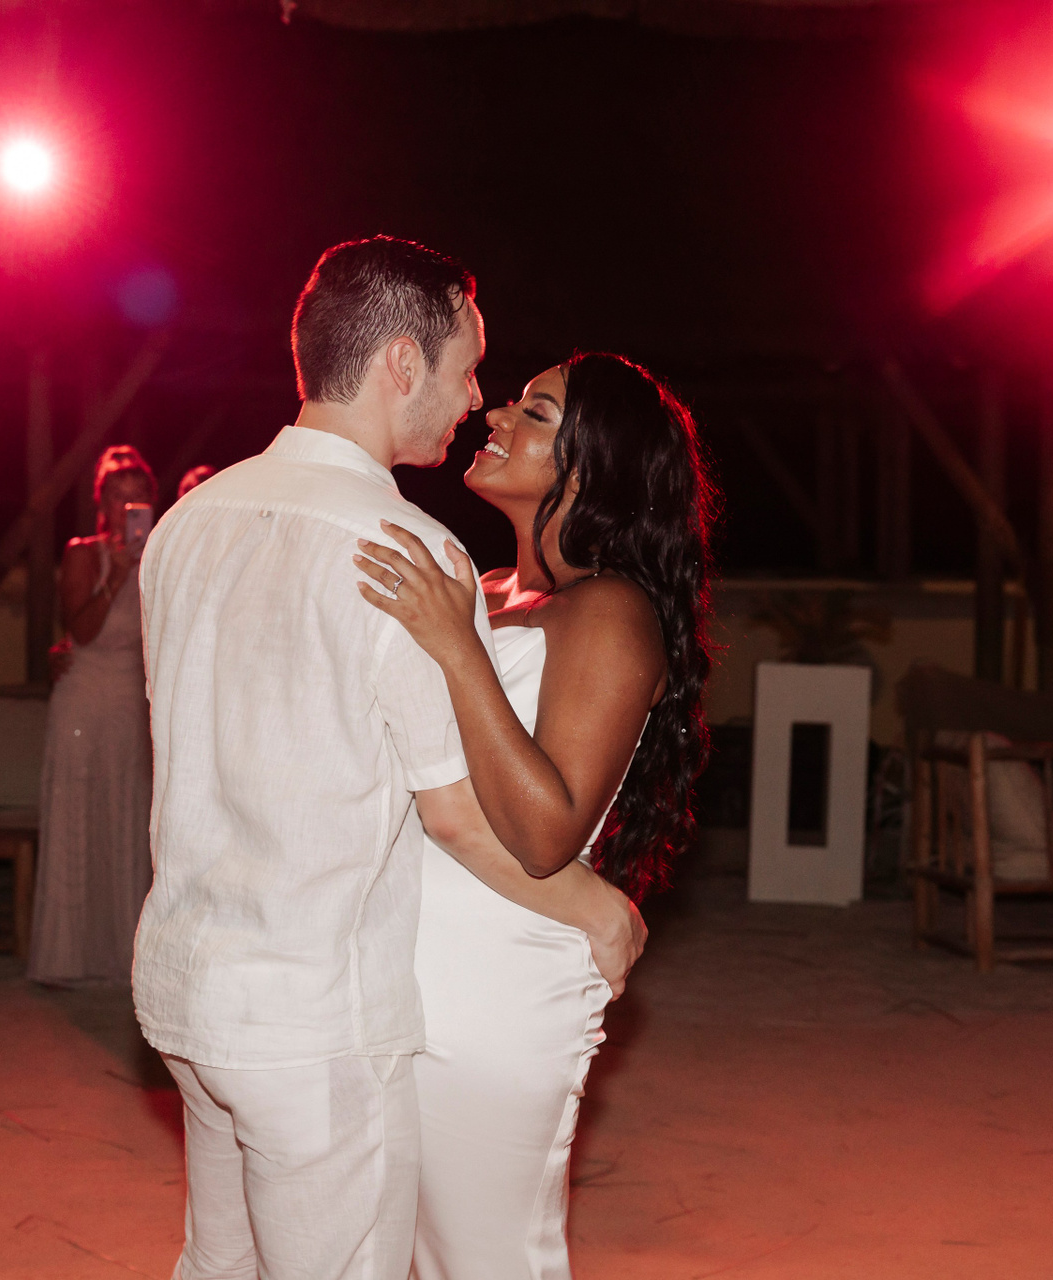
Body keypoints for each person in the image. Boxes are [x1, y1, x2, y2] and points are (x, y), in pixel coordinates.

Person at [131, 237, 646, 1280]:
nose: (475, 398)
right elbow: (450, 810)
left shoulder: (187, 521)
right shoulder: (409, 549)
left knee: (217, 1265)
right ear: (403, 364)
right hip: (312, 1014)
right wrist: (594, 907)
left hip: (185, 989)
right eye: (468, 367)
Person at [352, 351, 716, 1280]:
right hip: (400, 962)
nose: (498, 414)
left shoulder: (610, 611)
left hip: (497, 980)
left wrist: (456, 647)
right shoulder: (480, 590)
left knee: (486, 1259)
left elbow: (549, 834)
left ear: (592, 469)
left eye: (537, 413)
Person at [29, 445, 158, 985]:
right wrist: (117, 574)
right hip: (84, 696)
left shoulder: (165, 556)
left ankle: (129, 956)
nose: (127, 506)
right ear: (101, 503)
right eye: (117, 496)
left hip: (133, 701)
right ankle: (68, 955)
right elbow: (80, 631)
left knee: (130, 818)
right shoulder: (84, 553)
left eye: (138, 495)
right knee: (79, 816)